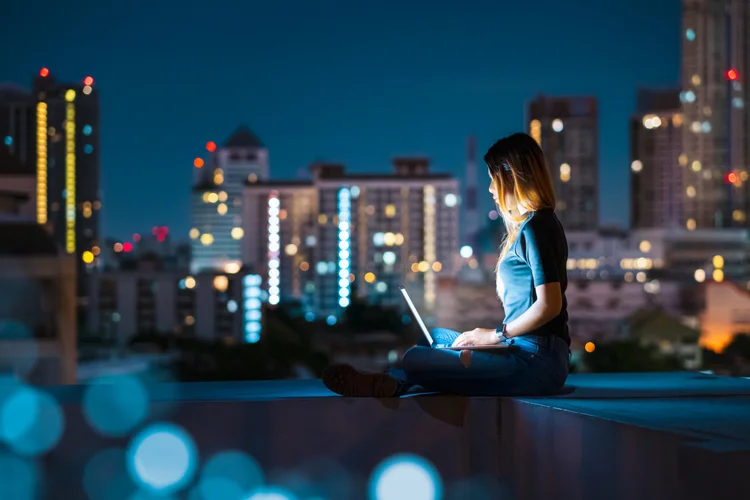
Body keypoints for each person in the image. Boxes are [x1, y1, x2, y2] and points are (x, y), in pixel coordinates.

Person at [322, 132, 571, 397]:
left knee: (415, 358)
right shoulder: (531, 227)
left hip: (537, 361)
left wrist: (494, 336)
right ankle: (397, 382)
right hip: (523, 348)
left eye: (493, 180)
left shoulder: (537, 227)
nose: (490, 190)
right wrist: (487, 339)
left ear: (512, 178)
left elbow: (549, 305)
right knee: (437, 338)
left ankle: (393, 381)